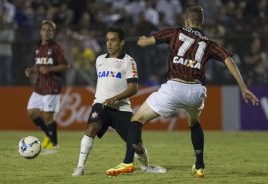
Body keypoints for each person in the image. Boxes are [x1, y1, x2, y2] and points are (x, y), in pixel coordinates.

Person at [106, 6, 259, 178]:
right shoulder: (209, 43)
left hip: (174, 87)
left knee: (137, 120)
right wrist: (244, 88)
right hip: (196, 91)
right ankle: (200, 165)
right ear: (202, 23)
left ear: (186, 21)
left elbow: (143, 43)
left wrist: (143, 39)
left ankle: (127, 162)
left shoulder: (175, 32)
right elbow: (229, 60)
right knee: (194, 123)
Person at [72, 26, 165, 176]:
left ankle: (146, 166)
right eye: (107, 40)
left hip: (121, 108)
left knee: (137, 146)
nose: (109, 44)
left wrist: (115, 98)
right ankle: (80, 167)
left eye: (113, 40)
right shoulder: (99, 60)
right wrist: (105, 98)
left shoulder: (129, 62)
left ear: (122, 42)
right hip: (101, 104)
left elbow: (133, 88)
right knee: (91, 128)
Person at [25, 20, 69, 150]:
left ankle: (54, 143)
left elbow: (66, 66)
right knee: (31, 113)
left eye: (49, 30)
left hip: (51, 87)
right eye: (44, 29)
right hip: (39, 87)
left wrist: (49, 70)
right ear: (40, 31)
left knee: (49, 117)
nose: (46, 32)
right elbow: (39, 65)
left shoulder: (56, 48)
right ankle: (48, 136)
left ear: (53, 33)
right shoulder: (38, 47)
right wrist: (32, 70)